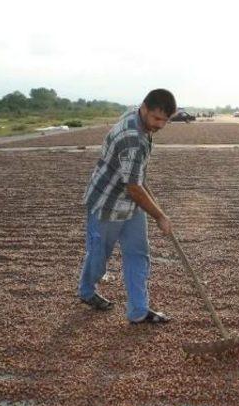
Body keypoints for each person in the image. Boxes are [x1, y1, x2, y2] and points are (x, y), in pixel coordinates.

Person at [77, 89, 176, 324]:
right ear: (144, 108)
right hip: (106, 205)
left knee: (138, 254)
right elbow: (134, 187)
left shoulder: (137, 118)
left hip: (131, 207)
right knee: (98, 258)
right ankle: (87, 292)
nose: (160, 125)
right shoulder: (133, 139)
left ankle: (138, 311)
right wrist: (160, 216)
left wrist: (155, 209)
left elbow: (137, 179)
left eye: (165, 120)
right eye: (156, 118)